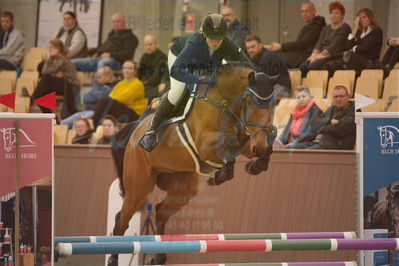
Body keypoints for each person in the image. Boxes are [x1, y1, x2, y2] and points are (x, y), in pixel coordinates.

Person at [139, 14, 253, 152]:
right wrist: (200, 80)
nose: (215, 42)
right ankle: (152, 129)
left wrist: (257, 80)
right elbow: (176, 70)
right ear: (204, 33)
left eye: (219, 39)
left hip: (208, 61)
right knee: (178, 91)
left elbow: (247, 66)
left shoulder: (227, 43)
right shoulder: (195, 43)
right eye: (211, 38)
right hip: (180, 59)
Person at [322, 8, 383, 75]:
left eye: (364, 17)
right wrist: (355, 29)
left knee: (350, 56)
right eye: (360, 18)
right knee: (329, 66)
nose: (361, 20)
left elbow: (364, 48)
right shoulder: (359, 33)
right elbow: (347, 46)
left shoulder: (377, 32)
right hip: (352, 60)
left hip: (369, 62)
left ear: (370, 18)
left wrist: (353, 48)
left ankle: (353, 79)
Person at [71, 13, 138, 72]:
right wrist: (89, 53)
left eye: (118, 21)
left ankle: (98, 86)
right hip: (99, 59)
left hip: (116, 63)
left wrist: (110, 55)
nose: (116, 24)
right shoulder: (112, 34)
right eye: (114, 22)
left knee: (103, 63)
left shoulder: (130, 37)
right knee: (72, 63)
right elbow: (102, 47)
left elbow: (128, 54)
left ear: (124, 22)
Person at [299, 1, 351, 77]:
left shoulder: (345, 28)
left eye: (336, 13)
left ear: (342, 15)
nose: (333, 15)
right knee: (303, 66)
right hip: (321, 55)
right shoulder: (325, 29)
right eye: (331, 13)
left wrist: (316, 57)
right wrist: (313, 55)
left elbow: (334, 46)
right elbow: (319, 44)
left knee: (313, 66)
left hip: (334, 55)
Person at [31, 39, 80, 119]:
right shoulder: (52, 59)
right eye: (49, 47)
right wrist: (54, 74)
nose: (49, 50)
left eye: (51, 47)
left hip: (68, 86)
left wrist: (58, 74)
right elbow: (44, 71)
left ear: (58, 49)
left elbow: (47, 71)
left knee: (45, 79)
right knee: (42, 89)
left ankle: (33, 97)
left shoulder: (63, 59)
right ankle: (51, 116)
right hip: (57, 84)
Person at [269, 1, 326, 68]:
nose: (304, 14)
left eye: (307, 11)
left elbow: (301, 44)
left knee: (275, 58)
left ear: (314, 11)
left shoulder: (317, 26)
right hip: (300, 54)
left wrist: (281, 46)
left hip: (307, 56)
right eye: (302, 11)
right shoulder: (310, 25)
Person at [91, 60, 147, 127]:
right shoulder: (120, 84)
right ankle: (93, 126)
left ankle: (92, 126)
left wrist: (119, 100)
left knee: (104, 101)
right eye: (125, 68)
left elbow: (121, 98)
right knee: (104, 102)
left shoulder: (138, 84)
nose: (127, 70)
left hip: (134, 115)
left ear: (135, 71)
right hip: (123, 110)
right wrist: (122, 101)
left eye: (130, 68)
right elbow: (111, 97)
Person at [298, 85, 355, 150]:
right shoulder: (331, 109)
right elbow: (314, 123)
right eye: (336, 97)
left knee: (305, 154)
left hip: (334, 146)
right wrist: (329, 121)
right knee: (292, 148)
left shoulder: (354, 111)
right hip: (318, 142)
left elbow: (339, 129)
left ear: (348, 97)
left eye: (341, 96)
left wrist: (321, 129)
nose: (338, 99)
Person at [137, 34, 169, 103]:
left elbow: (156, 77)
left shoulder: (162, 57)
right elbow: (139, 74)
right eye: (146, 45)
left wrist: (142, 84)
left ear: (156, 45)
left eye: (150, 44)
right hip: (144, 84)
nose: (148, 47)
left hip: (155, 86)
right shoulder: (144, 56)